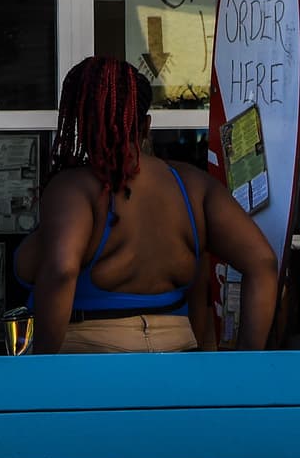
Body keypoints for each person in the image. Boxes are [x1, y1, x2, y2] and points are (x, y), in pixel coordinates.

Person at [14, 56, 277, 353]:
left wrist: (42, 366)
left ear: (78, 123)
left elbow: (62, 271)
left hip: (90, 356)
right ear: (147, 125)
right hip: (178, 353)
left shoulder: (72, 188)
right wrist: (247, 364)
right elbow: (263, 264)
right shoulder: (193, 184)